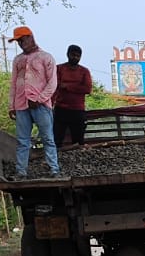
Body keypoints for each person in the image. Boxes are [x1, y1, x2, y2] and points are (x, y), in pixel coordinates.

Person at [9, 27, 60, 179]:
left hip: (41, 105)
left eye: (22, 40)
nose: (20, 43)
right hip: (21, 105)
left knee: (48, 139)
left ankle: (54, 169)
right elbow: (13, 83)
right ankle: (21, 172)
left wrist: (39, 99)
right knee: (22, 141)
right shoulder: (18, 60)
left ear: (30, 37)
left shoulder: (45, 57)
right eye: (18, 41)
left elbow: (52, 83)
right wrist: (11, 106)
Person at [54, 45, 92, 149]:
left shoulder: (85, 71)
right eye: (73, 55)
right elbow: (55, 85)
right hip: (61, 108)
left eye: (78, 56)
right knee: (57, 139)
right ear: (68, 54)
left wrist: (67, 86)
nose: (75, 57)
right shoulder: (59, 69)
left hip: (78, 110)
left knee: (78, 140)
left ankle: (79, 161)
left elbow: (87, 89)